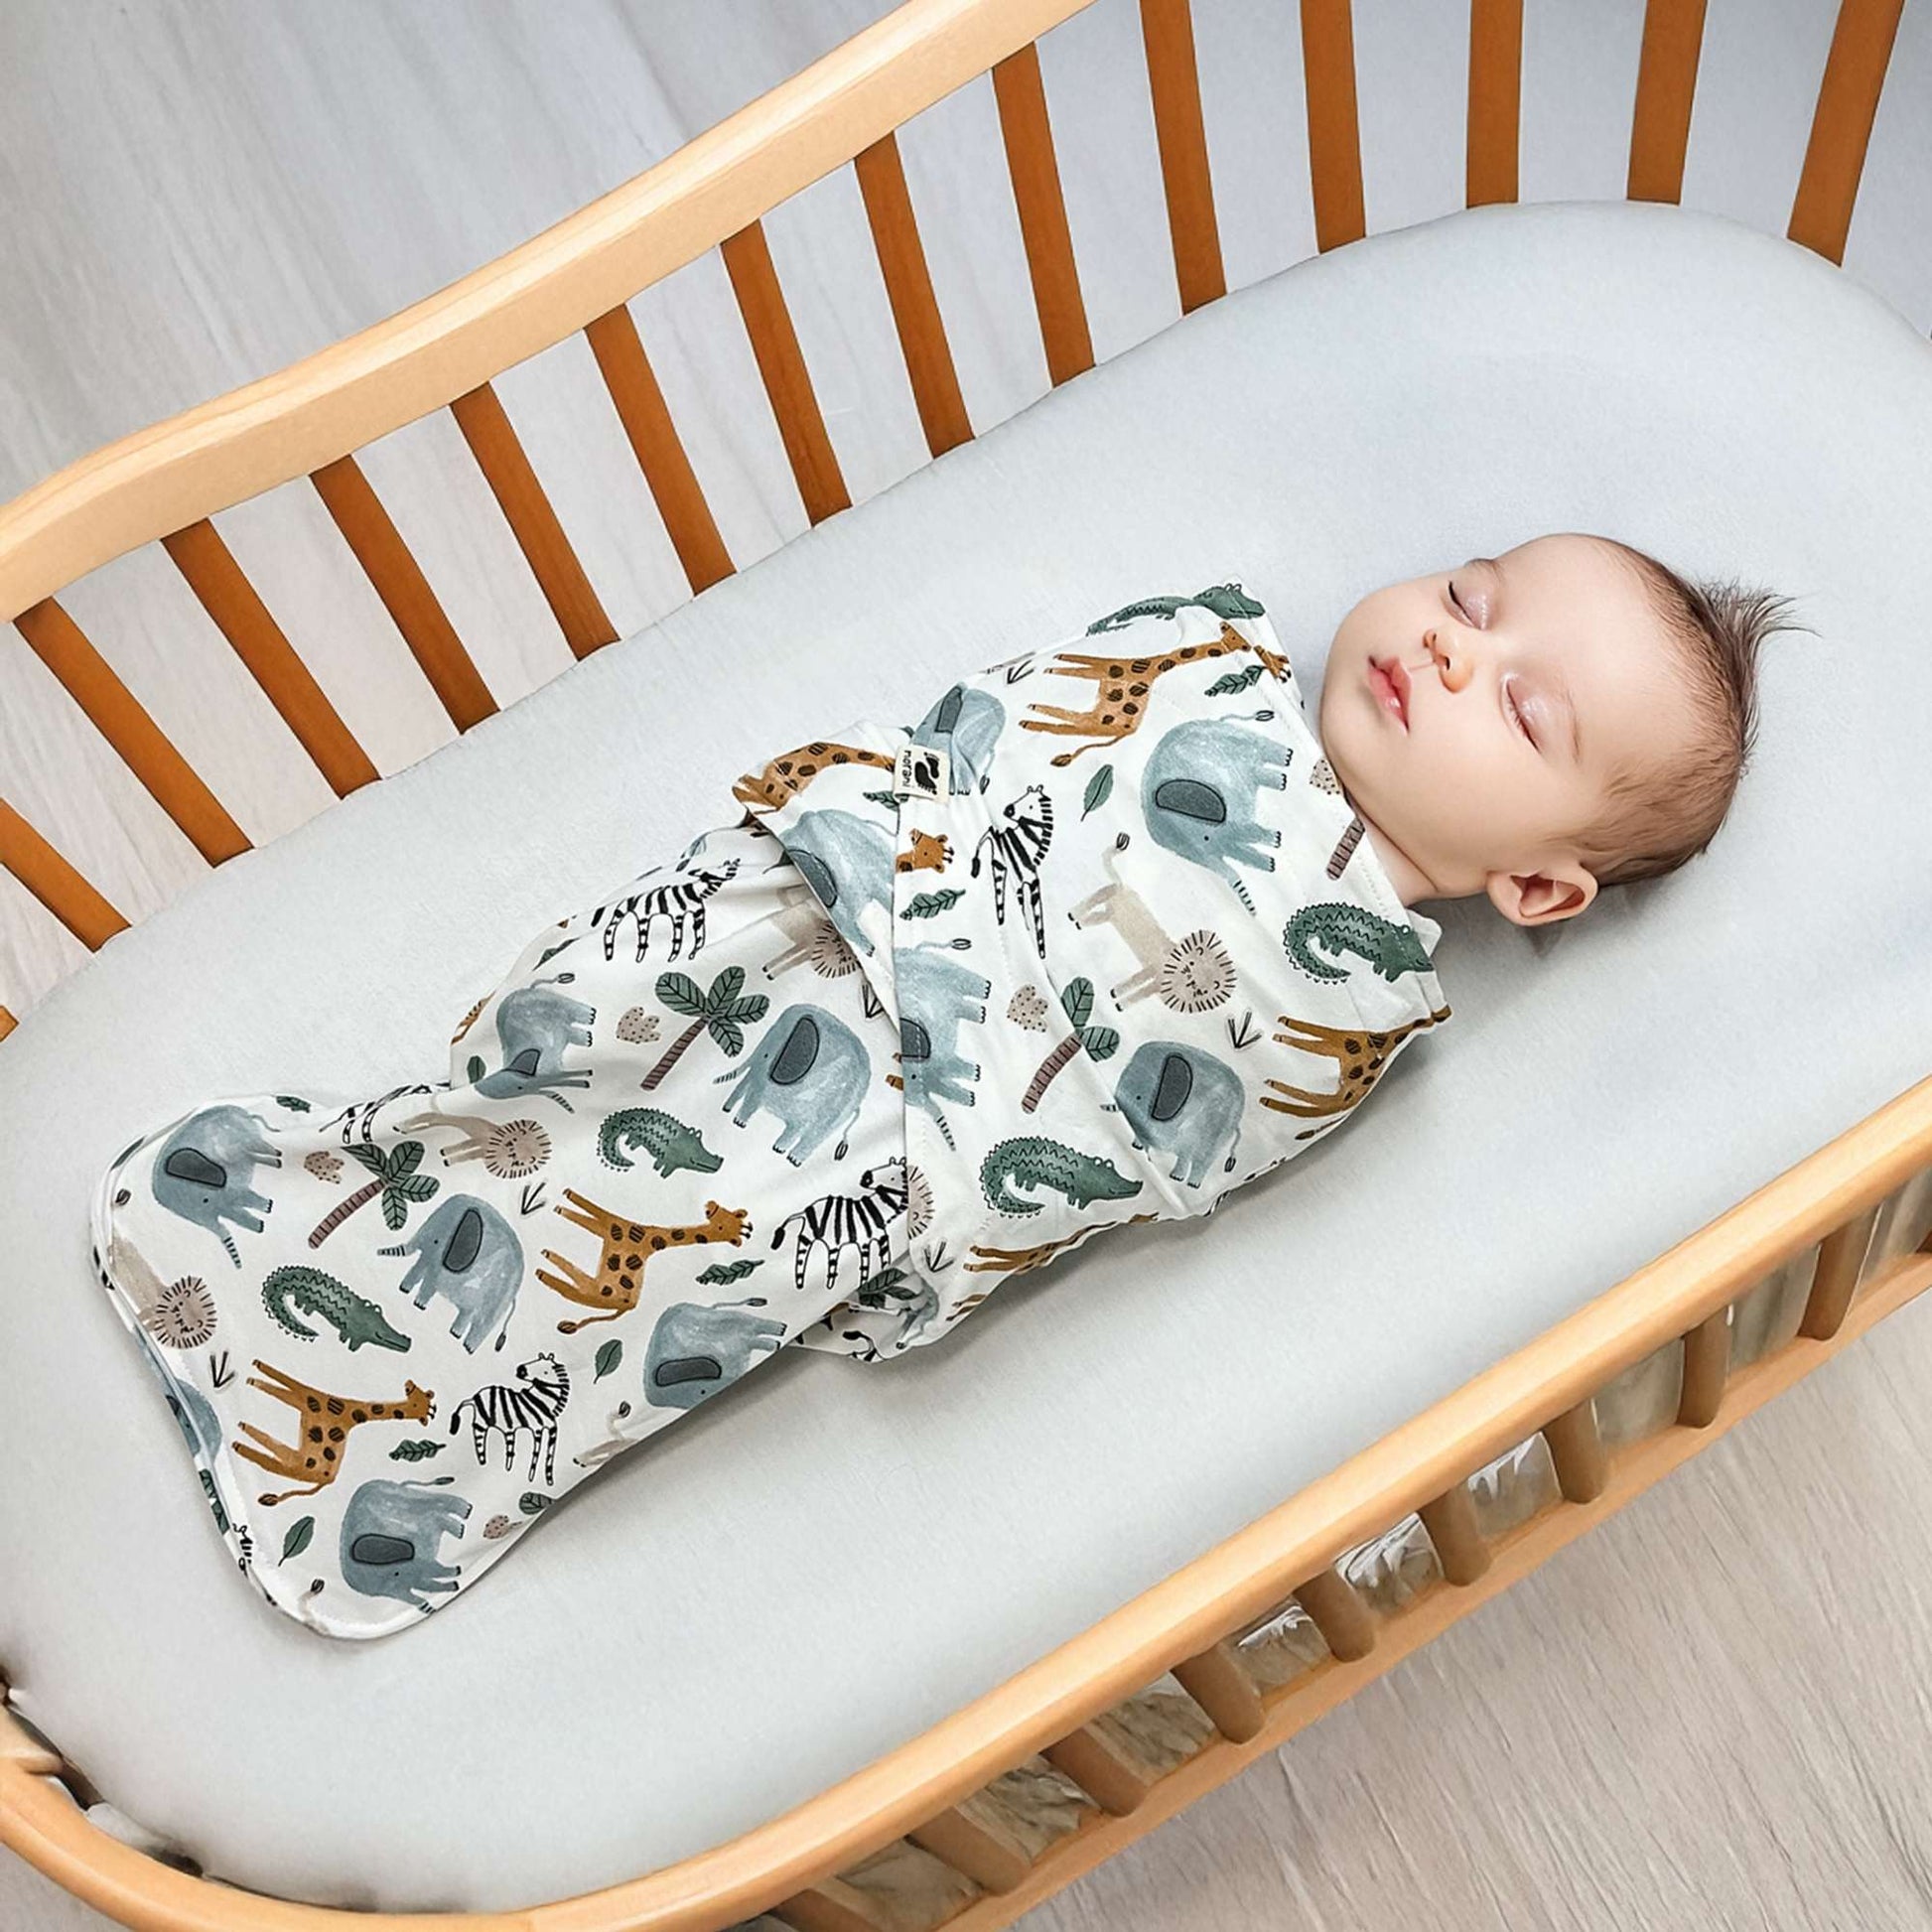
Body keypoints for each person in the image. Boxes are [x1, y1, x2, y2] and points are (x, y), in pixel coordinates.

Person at [88, 532, 1802, 1638]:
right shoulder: (1198, 645)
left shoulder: (1355, 995)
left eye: (1519, 710)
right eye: (1471, 593)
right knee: (555, 1034)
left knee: (671, 1238)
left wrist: (947, 1121)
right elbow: (981, 726)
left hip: (904, 1123)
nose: (1444, 649)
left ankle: (379, 1468)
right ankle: (322, 1190)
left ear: (1538, 889)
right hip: (823, 903)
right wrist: (855, 841)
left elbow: (1166, 1135)